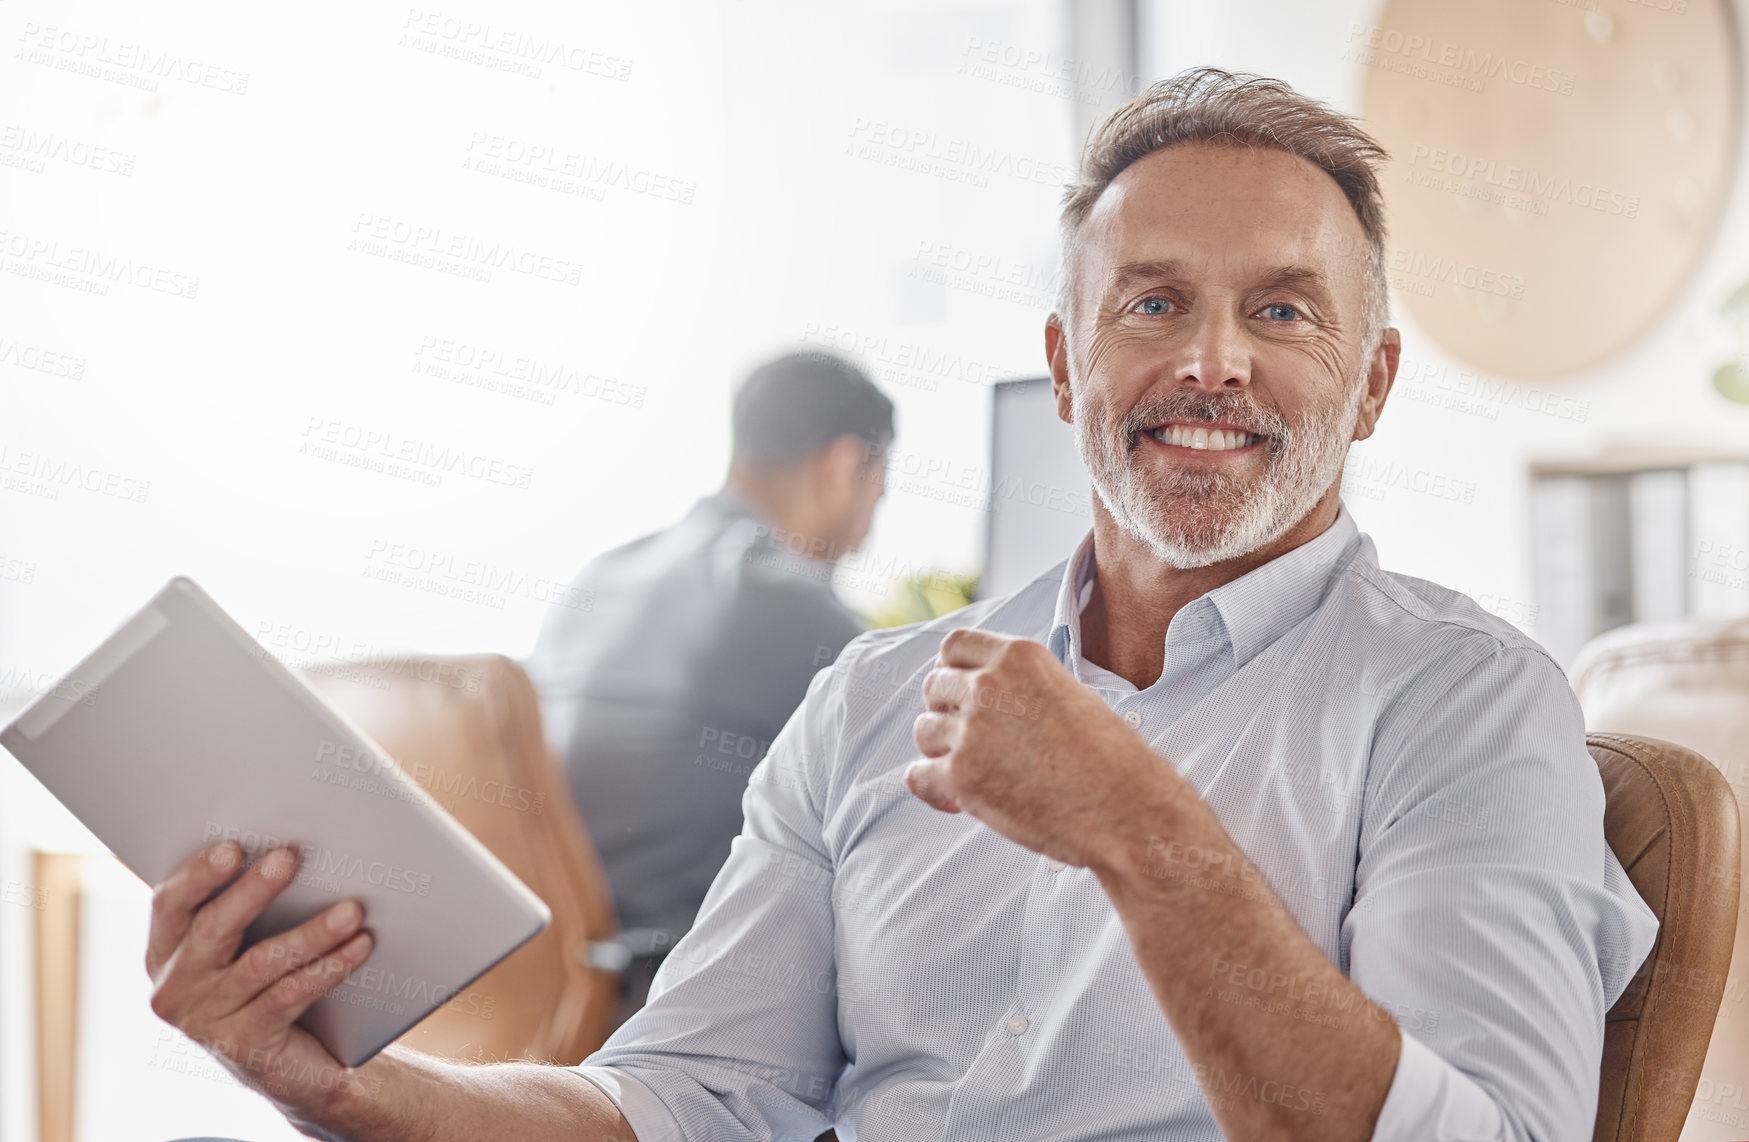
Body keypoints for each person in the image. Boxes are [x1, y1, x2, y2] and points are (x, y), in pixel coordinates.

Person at [143, 68, 1657, 1141]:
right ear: (1064, 368)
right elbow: (680, 1099)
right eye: (1150, 303)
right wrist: (339, 1088)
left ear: (1372, 382)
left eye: (1282, 309)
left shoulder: (1466, 704)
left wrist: (1142, 832)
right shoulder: (870, 698)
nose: (1211, 361)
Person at [522, 350, 893, 1020]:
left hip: (547, 985)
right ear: (843, 466)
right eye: (878, 492)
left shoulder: (600, 576)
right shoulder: (785, 600)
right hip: (680, 1001)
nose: (867, 531)